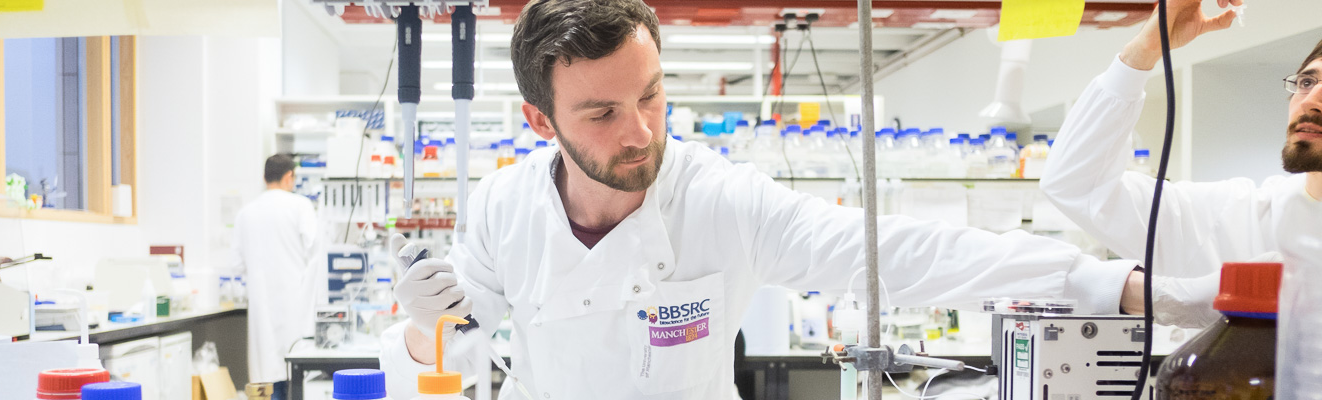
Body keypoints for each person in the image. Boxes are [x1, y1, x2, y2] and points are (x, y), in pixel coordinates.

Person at [380, 1, 1154, 398]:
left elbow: (896, 254)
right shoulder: (502, 207)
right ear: (540, 121)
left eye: (651, 96)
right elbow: (453, 354)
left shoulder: (722, 201)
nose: (642, 131)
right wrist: (423, 332)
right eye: (602, 113)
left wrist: (1099, 283)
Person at [1041, 0, 1322, 329]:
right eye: (1306, 82)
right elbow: (1075, 184)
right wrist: (1142, 52)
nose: (1312, 99)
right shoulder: (1232, 216)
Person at [232, 154, 324, 400]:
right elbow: (316, 251)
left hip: (261, 310)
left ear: (264, 178)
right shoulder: (300, 205)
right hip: (296, 306)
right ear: (289, 177)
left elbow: (237, 265)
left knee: (267, 380)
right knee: (296, 375)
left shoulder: (245, 213)